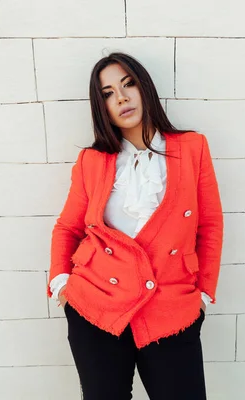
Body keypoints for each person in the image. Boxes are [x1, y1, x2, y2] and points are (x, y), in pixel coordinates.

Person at [47, 52, 224, 400]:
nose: (122, 98)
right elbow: (67, 227)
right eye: (108, 93)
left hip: (171, 306)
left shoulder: (192, 148)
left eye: (128, 84)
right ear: (102, 106)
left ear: (144, 88)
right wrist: (61, 284)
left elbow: (211, 225)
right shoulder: (92, 161)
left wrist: (202, 294)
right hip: (96, 306)